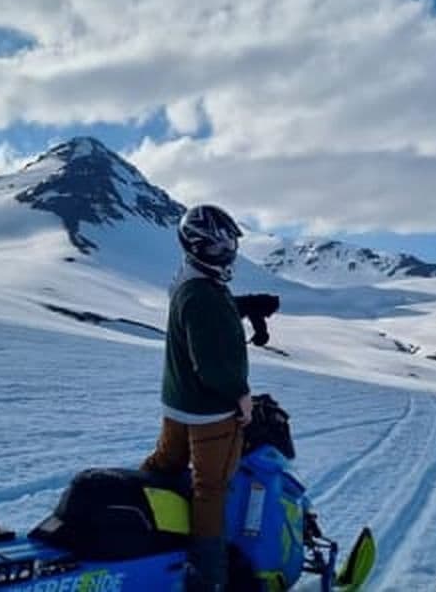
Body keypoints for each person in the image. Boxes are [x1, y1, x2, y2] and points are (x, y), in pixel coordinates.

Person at [140, 204, 252, 592]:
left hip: (178, 402)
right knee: (210, 488)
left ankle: (145, 526)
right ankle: (208, 578)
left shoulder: (190, 281)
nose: (227, 253)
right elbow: (213, 364)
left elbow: (204, 318)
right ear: (196, 247)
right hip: (209, 411)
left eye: (230, 244)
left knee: (166, 463)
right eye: (217, 247)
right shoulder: (202, 293)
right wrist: (240, 396)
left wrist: (244, 306)